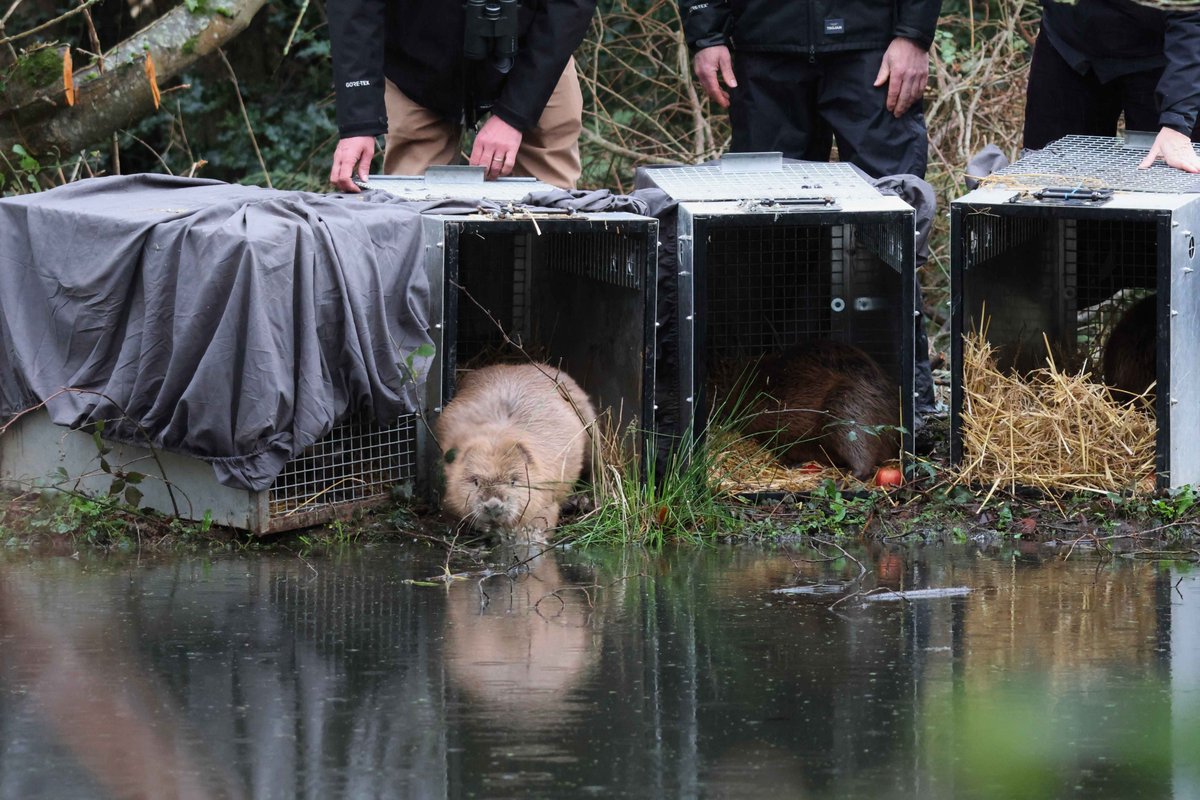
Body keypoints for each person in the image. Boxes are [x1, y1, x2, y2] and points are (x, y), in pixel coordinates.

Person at [328, 0, 596, 192]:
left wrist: (515, 115)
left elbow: (570, 6)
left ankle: (547, 268)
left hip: (537, 47)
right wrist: (358, 123)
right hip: (417, 60)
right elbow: (354, 8)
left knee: (554, 202)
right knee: (411, 204)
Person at [679, 0, 942, 180]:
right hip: (763, 48)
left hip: (874, 48)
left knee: (890, 202)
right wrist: (707, 33)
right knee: (764, 209)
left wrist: (913, 34)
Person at [1024, 0, 1200, 173]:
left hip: (1168, 55)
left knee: (1170, 179)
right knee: (1045, 174)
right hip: (1067, 43)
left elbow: (1192, 20)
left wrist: (1178, 121)